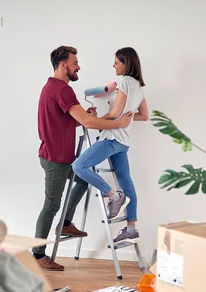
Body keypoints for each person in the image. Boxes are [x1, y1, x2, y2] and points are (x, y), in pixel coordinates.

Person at [33, 45, 133, 272]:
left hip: (61, 156)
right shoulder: (62, 90)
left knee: (84, 178)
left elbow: (72, 120)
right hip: (55, 159)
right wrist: (118, 123)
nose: (79, 66)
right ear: (63, 65)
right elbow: (88, 124)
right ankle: (38, 254)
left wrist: (83, 117)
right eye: (75, 63)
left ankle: (66, 224)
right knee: (51, 205)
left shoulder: (54, 88)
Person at [72, 47, 148, 245]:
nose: (113, 65)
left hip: (112, 137)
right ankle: (131, 228)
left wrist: (93, 119)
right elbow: (144, 116)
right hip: (124, 141)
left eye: (117, 62)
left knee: (78, 166)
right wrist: (127, 120)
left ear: (126, 63)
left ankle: (114, 196)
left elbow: (114, 113)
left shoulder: (124, 81)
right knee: (126, 180)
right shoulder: (139, 87)